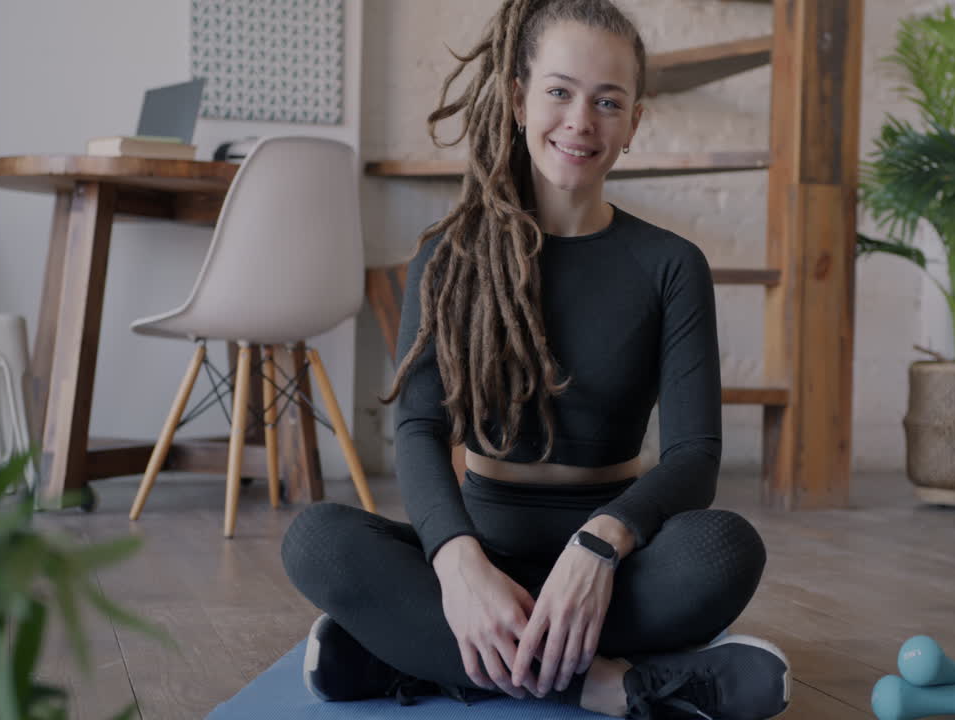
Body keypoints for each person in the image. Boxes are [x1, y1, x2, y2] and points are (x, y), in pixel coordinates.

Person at [280, 0, 790, 717]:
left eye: (608, 101)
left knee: (725, 552)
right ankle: (613, 685)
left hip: (615, 563)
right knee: (317, 541)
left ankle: (416, 657)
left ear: (634, 122)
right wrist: (456, 564)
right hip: (483, 547)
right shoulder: (450, 256)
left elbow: (695, 457)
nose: (581, 120)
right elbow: (420, 432)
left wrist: (602, 545)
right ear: (518, 100)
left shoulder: (672, 265)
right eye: (559, 92)